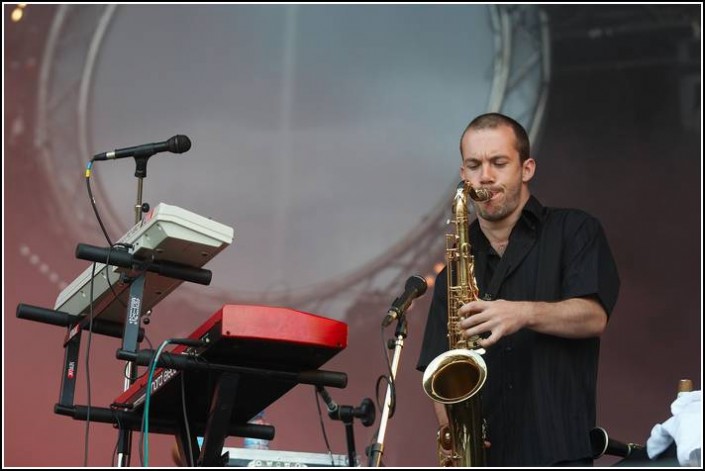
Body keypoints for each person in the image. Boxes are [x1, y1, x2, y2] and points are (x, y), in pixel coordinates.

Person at [417, 112, 620, 466]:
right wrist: (457, 435)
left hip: (557, 453)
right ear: (463, 175)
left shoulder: (575, 230)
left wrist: (521, 312)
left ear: (526, 169)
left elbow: (593, 317)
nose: (486, 176)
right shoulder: (453, 269)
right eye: (474, 165)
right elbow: (440, 364)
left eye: (499, 163)